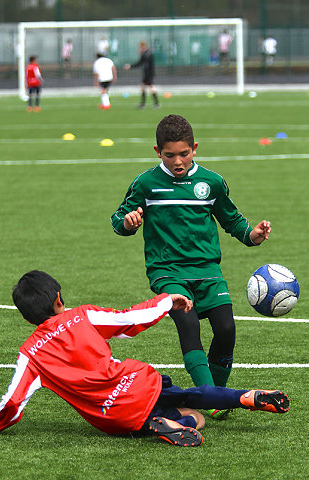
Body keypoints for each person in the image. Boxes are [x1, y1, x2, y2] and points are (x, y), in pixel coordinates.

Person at [0, 270, 289, 447]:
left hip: (114, 414)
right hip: (137, 382)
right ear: (59, 299)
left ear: (28, 318)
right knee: (191, 398)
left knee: (193, 420)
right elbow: (130, 318)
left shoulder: (30, 353)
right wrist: (166, 301)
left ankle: (167, 423)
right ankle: (243, 397)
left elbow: (13, 403)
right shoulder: (81, 316)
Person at [111, 114, 272, 420]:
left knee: (226, 330)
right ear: (157, 151)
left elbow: (232, 219)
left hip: (209, 272)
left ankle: (216, 395)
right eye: (170, 155)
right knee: (188, 323)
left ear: (195, 148)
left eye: (184, 153)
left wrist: (253, 236)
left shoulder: (211, 182)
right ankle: (212, 398)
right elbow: (119, 218)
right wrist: (128, 222)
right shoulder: (146, 184)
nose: (178, 161)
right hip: (167, 272)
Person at [124, 41, 159, 109]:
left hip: (149, 74)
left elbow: (141, 63)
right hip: (147, 73)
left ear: (143, 46)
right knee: (143, 87)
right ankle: (143, 104)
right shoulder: (146, 53)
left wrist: (131, 66)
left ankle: (156, 103)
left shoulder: (147, 53)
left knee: (151, 88)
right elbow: (140, 63)